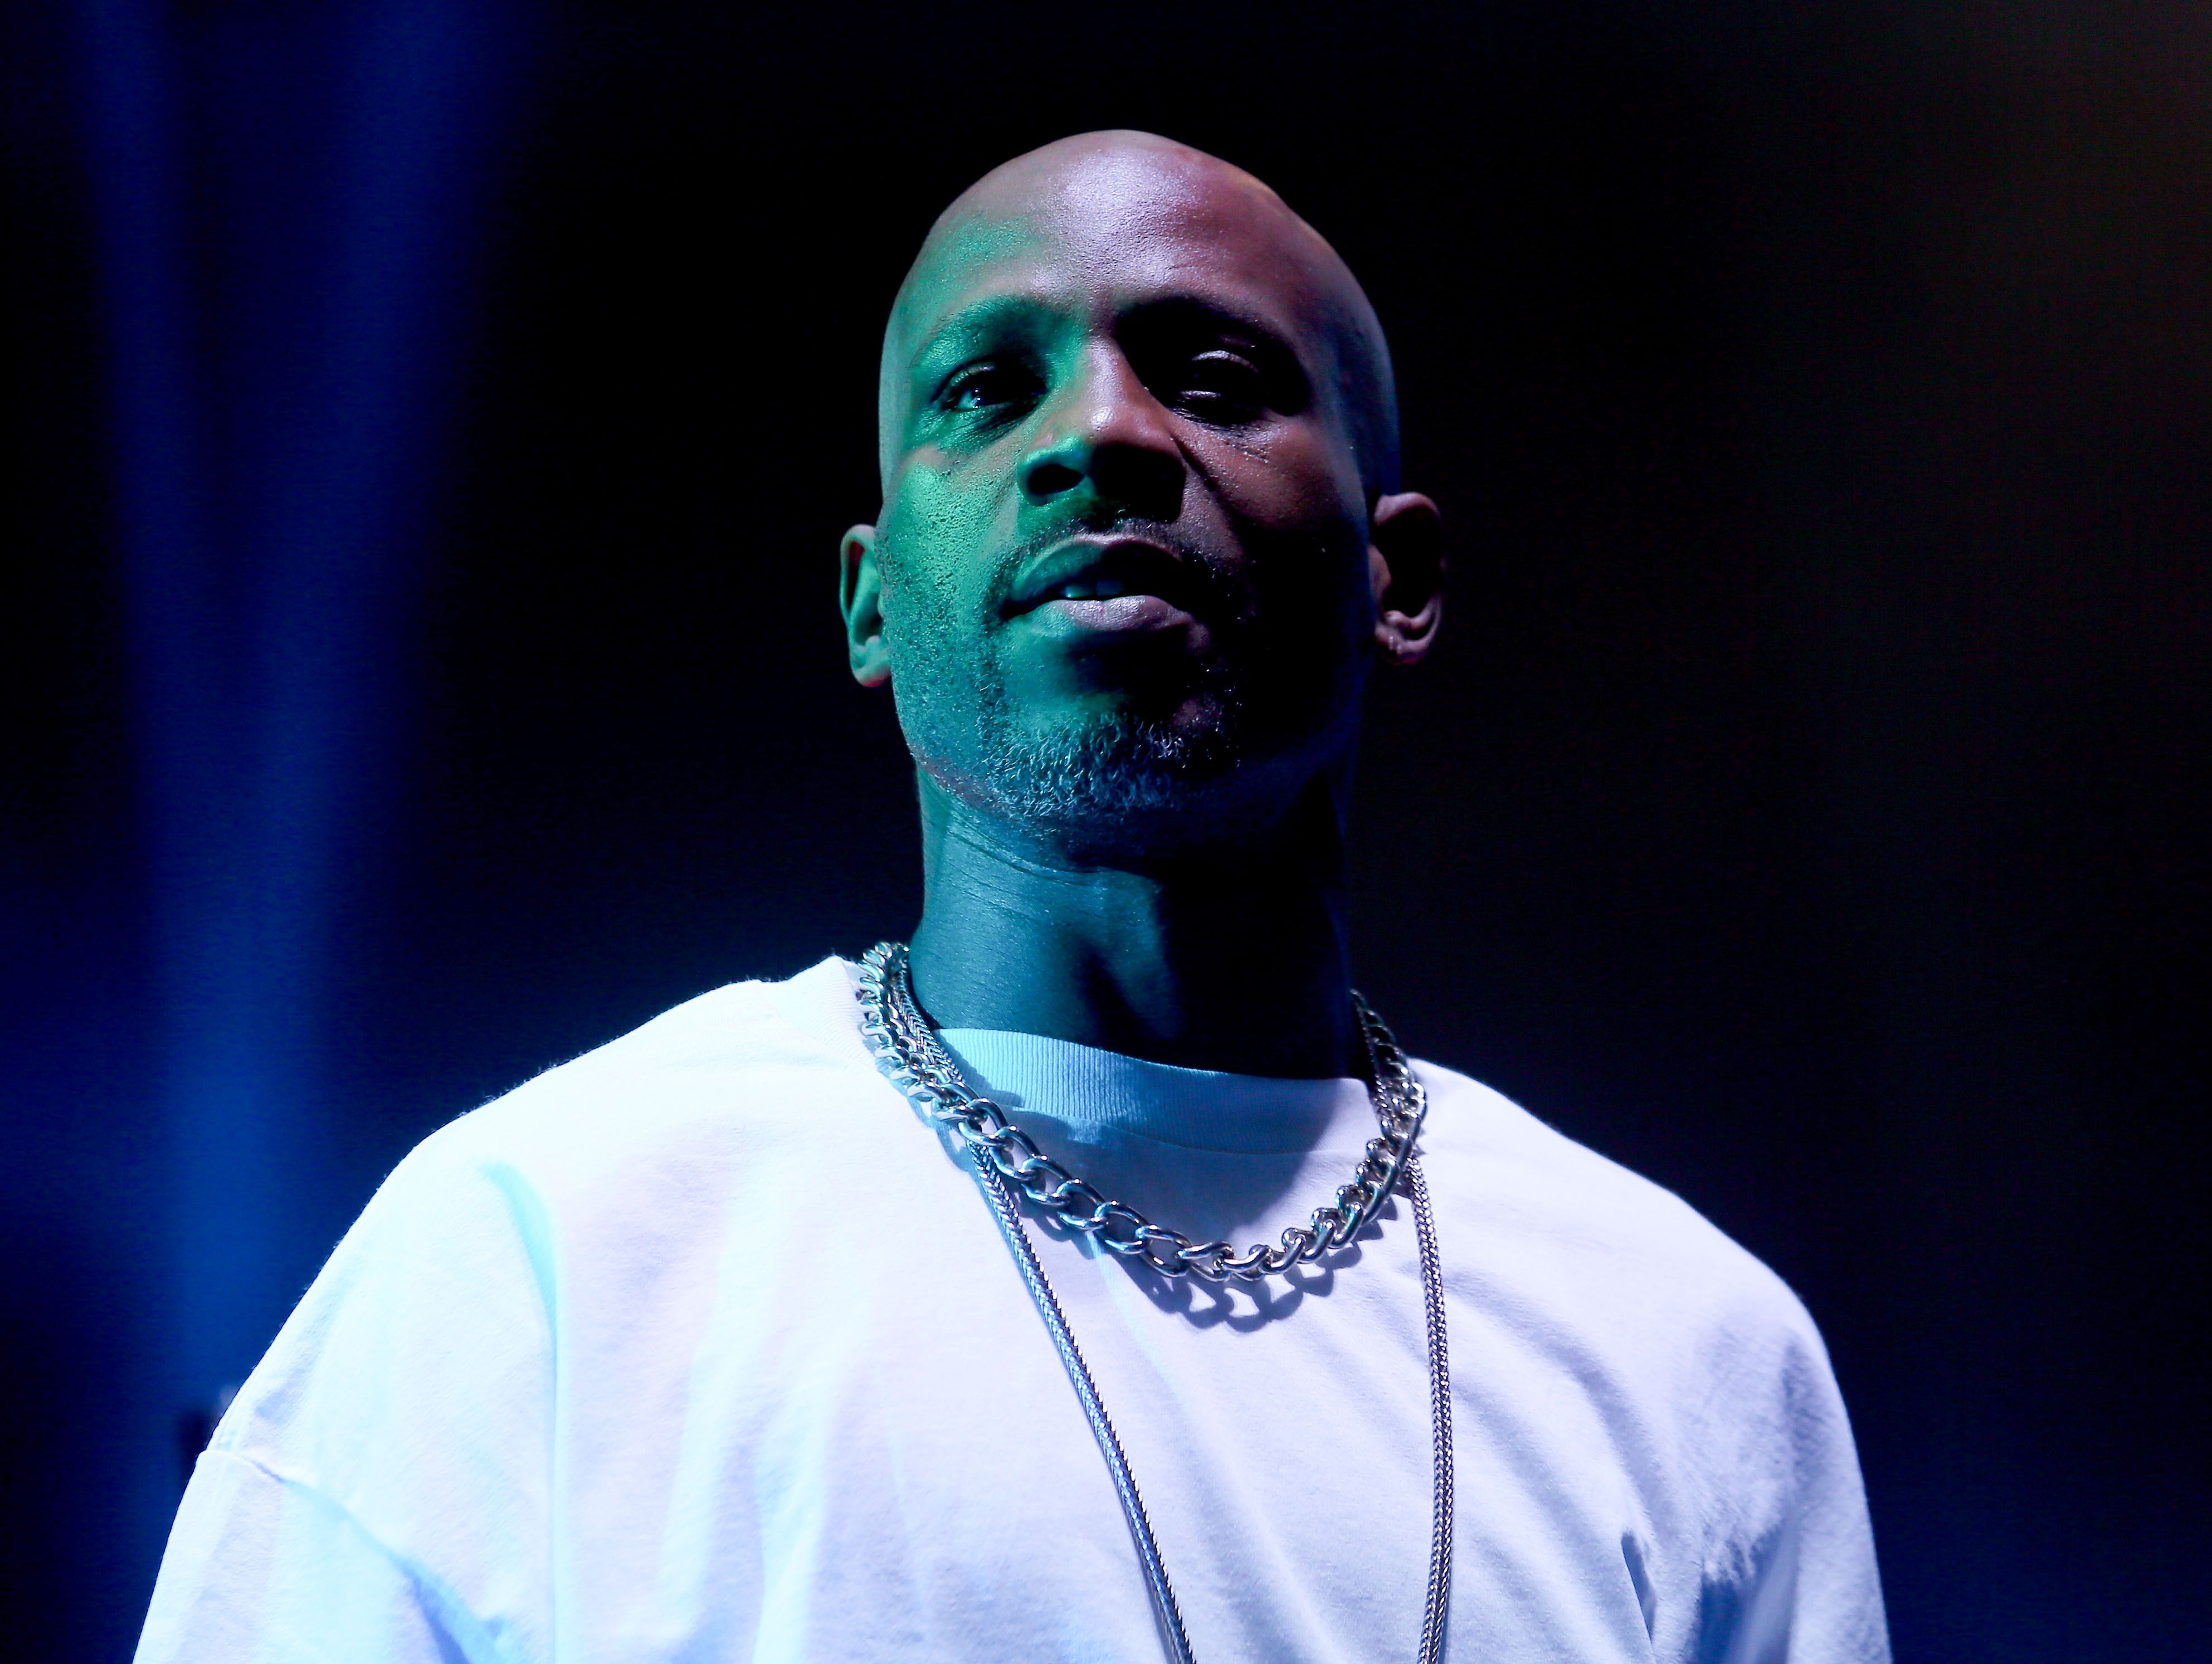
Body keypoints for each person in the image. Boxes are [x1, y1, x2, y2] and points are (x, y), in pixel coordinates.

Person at [135, 131, 1889, 1663]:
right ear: (870, 601)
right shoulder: (538, 1248)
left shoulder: (1683, 1347)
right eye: (987, 391)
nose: (1103, 432)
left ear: (1394, 574)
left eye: (1209, 375)